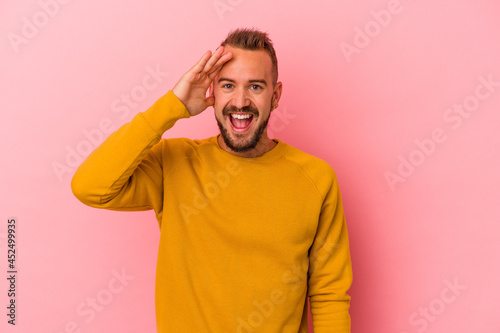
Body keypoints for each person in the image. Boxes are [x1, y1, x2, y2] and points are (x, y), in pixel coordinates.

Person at [72, 28, 352, 333]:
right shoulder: (175, 163)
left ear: (275, 95)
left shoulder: (316, 178)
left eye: (255, 86)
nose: (241, 101)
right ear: (212, 92)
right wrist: (172, 106)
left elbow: (329, 296)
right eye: (228, 85)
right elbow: (90, 186)